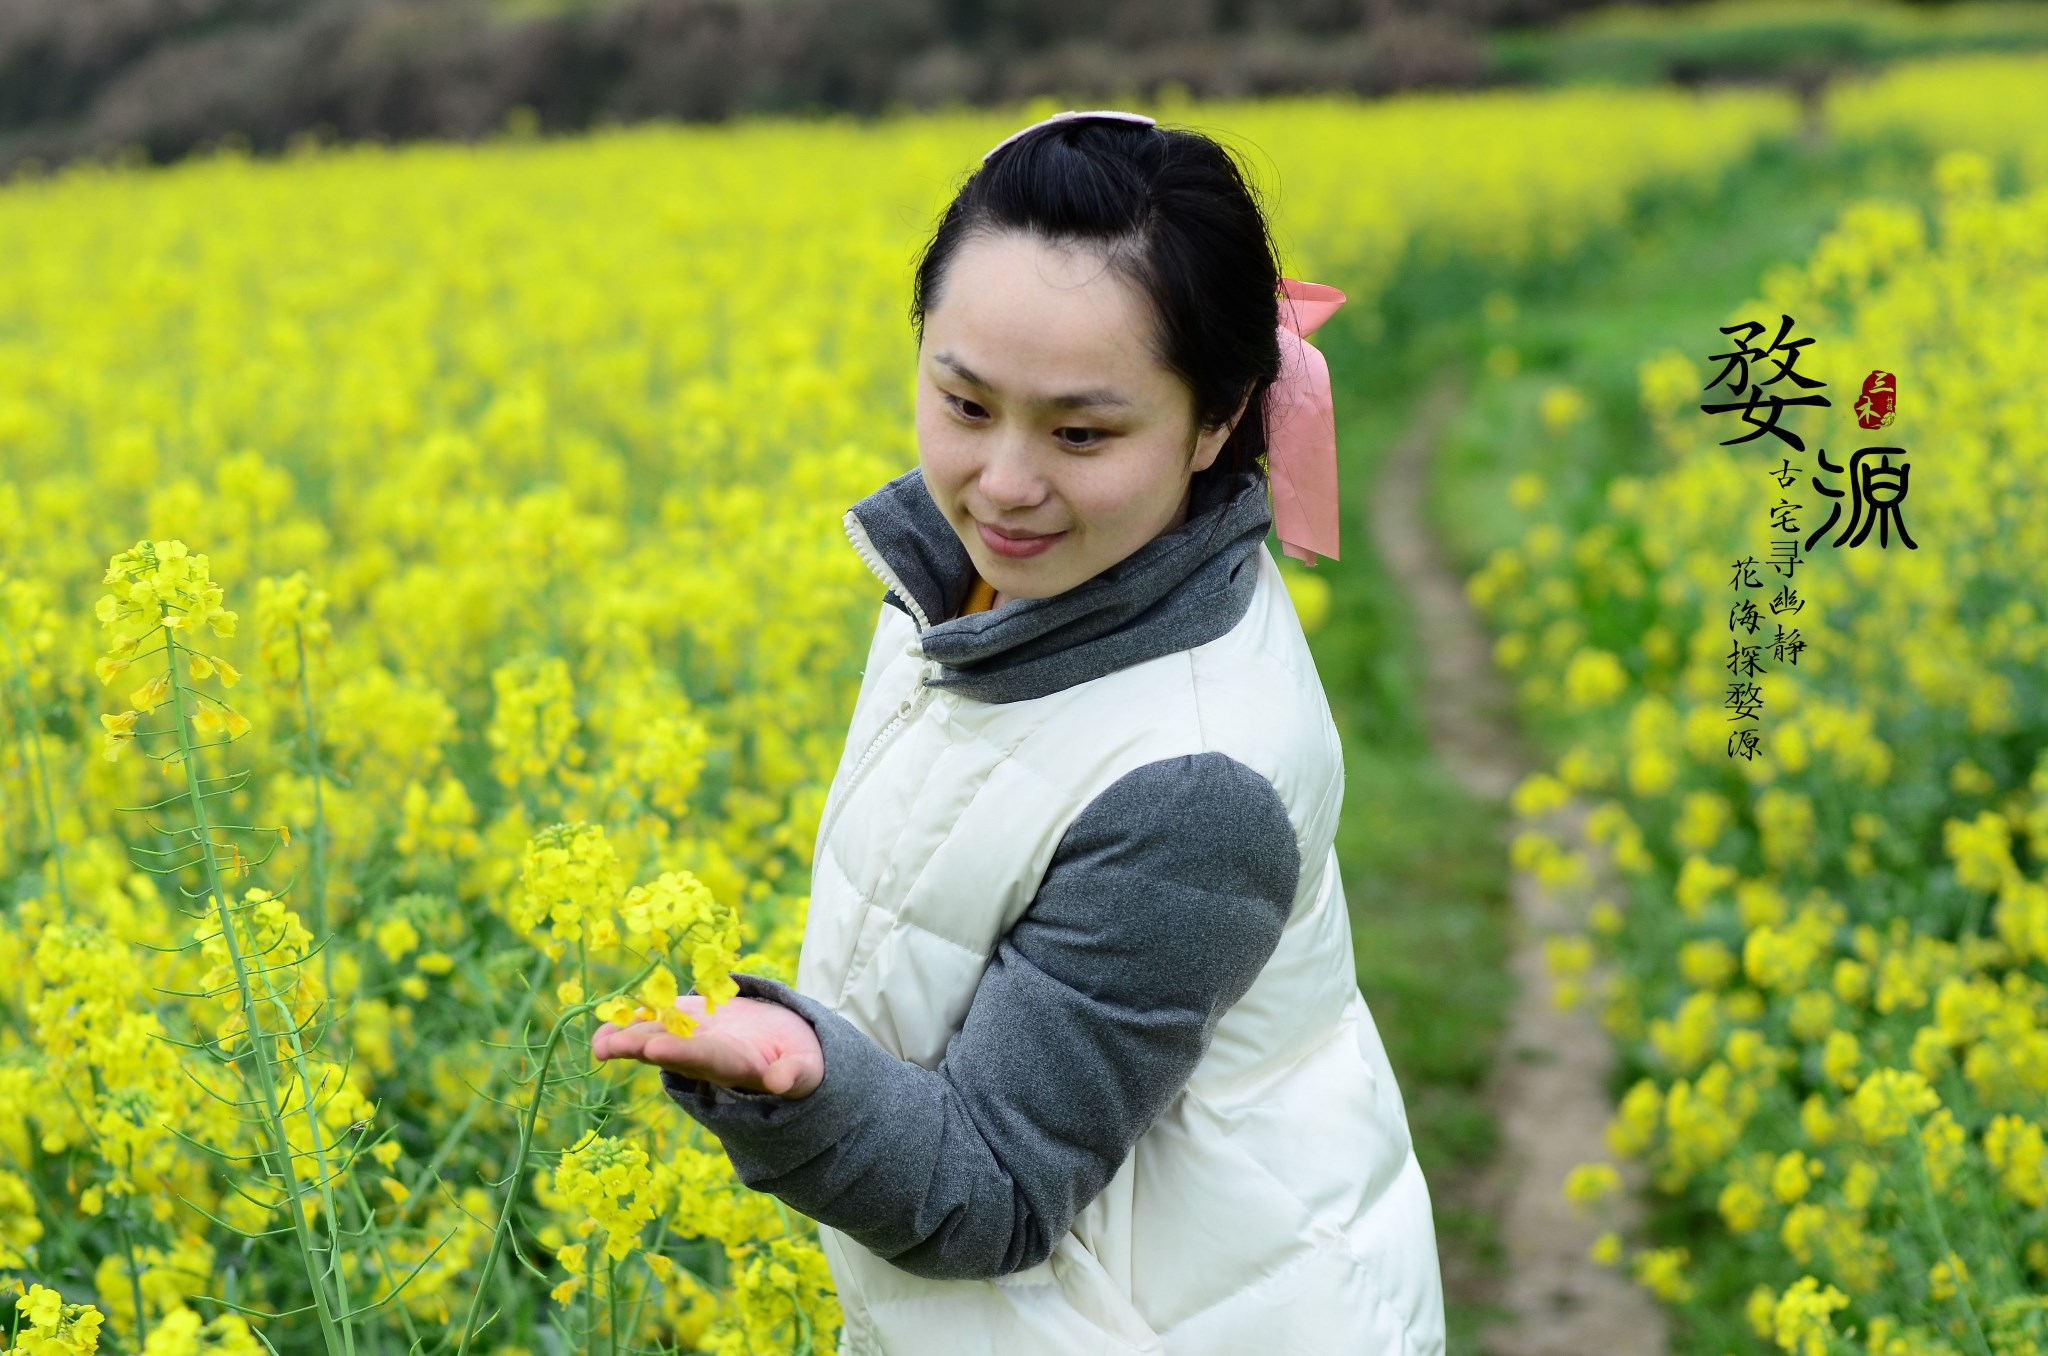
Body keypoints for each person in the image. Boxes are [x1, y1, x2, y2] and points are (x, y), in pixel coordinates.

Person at [592, 108, 1447, 1355]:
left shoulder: (1193, 786)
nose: (1001, 482)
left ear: (1217, 425)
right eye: (963, 402)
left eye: (1080, 433)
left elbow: (992, 1187)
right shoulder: (984, 589)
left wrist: (803, 1077)